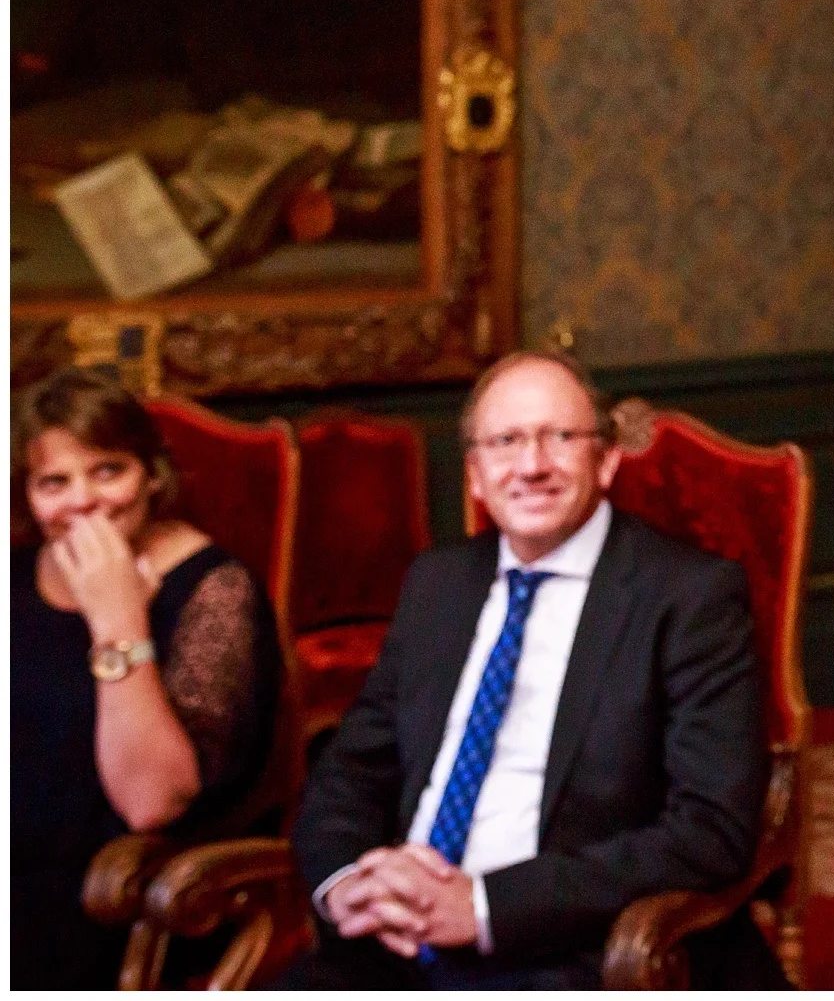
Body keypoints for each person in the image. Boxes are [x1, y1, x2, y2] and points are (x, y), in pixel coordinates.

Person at [283, 350, 783, 989]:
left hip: (569, 946)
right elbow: (351, 771)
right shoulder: (437, 585)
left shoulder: (688, 597)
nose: (531, 466)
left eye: (560, 438)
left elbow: (710, 831)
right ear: (473, 474)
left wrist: (487, 905)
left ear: (605, 461)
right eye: (505, 442)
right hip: (397, 939)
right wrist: (348, 880)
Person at [11, 366, 283, 990]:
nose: (82, 500)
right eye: (54, 481)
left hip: (119, 901)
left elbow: (152, 801)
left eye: (108, 470)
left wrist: (118, 619)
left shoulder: (215, 589)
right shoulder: (14, 576)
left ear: (152, 474)